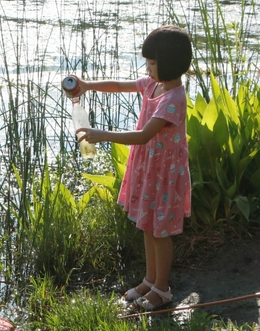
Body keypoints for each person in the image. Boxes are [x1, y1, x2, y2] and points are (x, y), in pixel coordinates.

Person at [71, 25, 192, 311]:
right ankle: (150, 280)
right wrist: (87, 85)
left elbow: (143, 136)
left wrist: (103, 134)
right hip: (149, 169)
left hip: (164, 175)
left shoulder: (174, 100)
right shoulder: (153, 85)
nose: (147, 68)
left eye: (152, 63)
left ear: (170, 63)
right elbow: (118, 86)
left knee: (160, 232)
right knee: (148, 226)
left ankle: (162, 289)